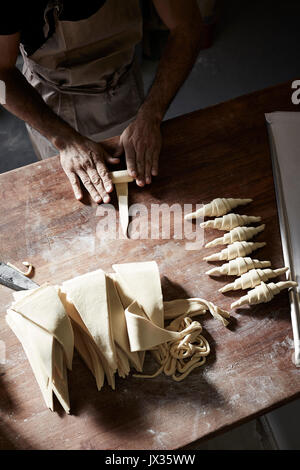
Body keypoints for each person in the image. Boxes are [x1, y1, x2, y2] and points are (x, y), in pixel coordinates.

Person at [0, 0, 202, 203]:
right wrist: (64, 140)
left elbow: (187, 25)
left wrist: (151, 114)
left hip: (125, 85)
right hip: (54, 106)